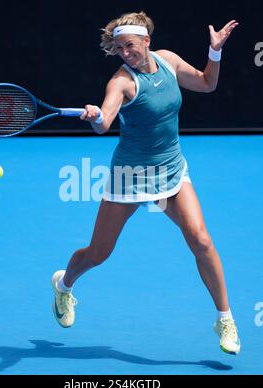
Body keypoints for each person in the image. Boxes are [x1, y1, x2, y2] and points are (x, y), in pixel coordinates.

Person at [52, 11, 240, 355]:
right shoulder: (121, 83)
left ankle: (224, 318)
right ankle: (64, 285)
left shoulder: (167, 61)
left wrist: (215, 52)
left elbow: (206, 83)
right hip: (130, 177)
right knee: (98, 253)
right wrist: (96, 116)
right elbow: (106, 122)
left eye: (130, 46)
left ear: (146, 42)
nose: (125, 53)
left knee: (200, 239)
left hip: (171, 170)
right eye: (120, 48)